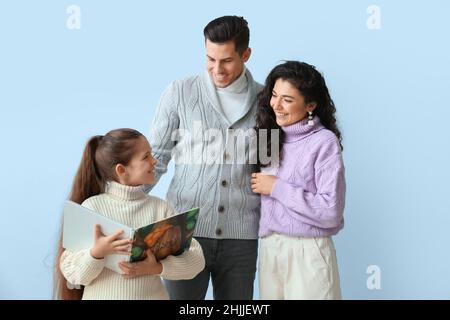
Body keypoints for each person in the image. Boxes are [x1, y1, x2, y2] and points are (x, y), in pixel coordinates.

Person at [145, 16, 262, 300]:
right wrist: (121, 204)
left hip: (241, 237)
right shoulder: (180, 92)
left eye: (227, 61)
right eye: (210, 59)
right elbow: (155, 157)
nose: (217, 69)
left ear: (246, 54)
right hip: (181, 232)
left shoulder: (265, 100)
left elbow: (274, 164)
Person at [54, 128, 205, 300]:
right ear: (121, 170)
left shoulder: (161, 209)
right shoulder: (92, 208)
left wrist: (156, 268)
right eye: (146, 156)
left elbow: (196, 261)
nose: (154, 161)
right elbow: (73, 275)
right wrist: (97, 253)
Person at [252, 61, 345, 299]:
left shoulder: (324, 142)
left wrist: (276, 187)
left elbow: (330, 210)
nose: (276, 105)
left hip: (308, 250)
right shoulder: (269, 136)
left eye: (288, 100)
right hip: (271, 249)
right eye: (274, 95)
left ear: (311, 105)